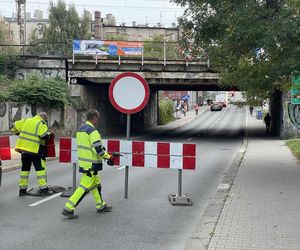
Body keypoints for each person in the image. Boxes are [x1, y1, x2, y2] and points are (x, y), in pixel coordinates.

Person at [62, 109, 114, 219]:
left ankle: (100, 205)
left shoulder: (81, 129)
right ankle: (68, 208)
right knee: (84, 187)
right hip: (92, 164)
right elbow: (97, 149)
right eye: (97, 118)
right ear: (95, 118)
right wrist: (109, 157)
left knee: (96, 184)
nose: (97, 121)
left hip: (85, 162)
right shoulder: (93, 131)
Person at [11, 112, 51, 196]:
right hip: (35, 150)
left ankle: (22, 190)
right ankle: (43, 189)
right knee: (39, 169)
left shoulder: (26, 120)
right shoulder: (41, 123)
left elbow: (12, 127)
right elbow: (43, 136)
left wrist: (19, 133)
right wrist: (49, 134)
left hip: (24, 150)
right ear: (44, 118)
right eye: (46, 120)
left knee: (25, 169)